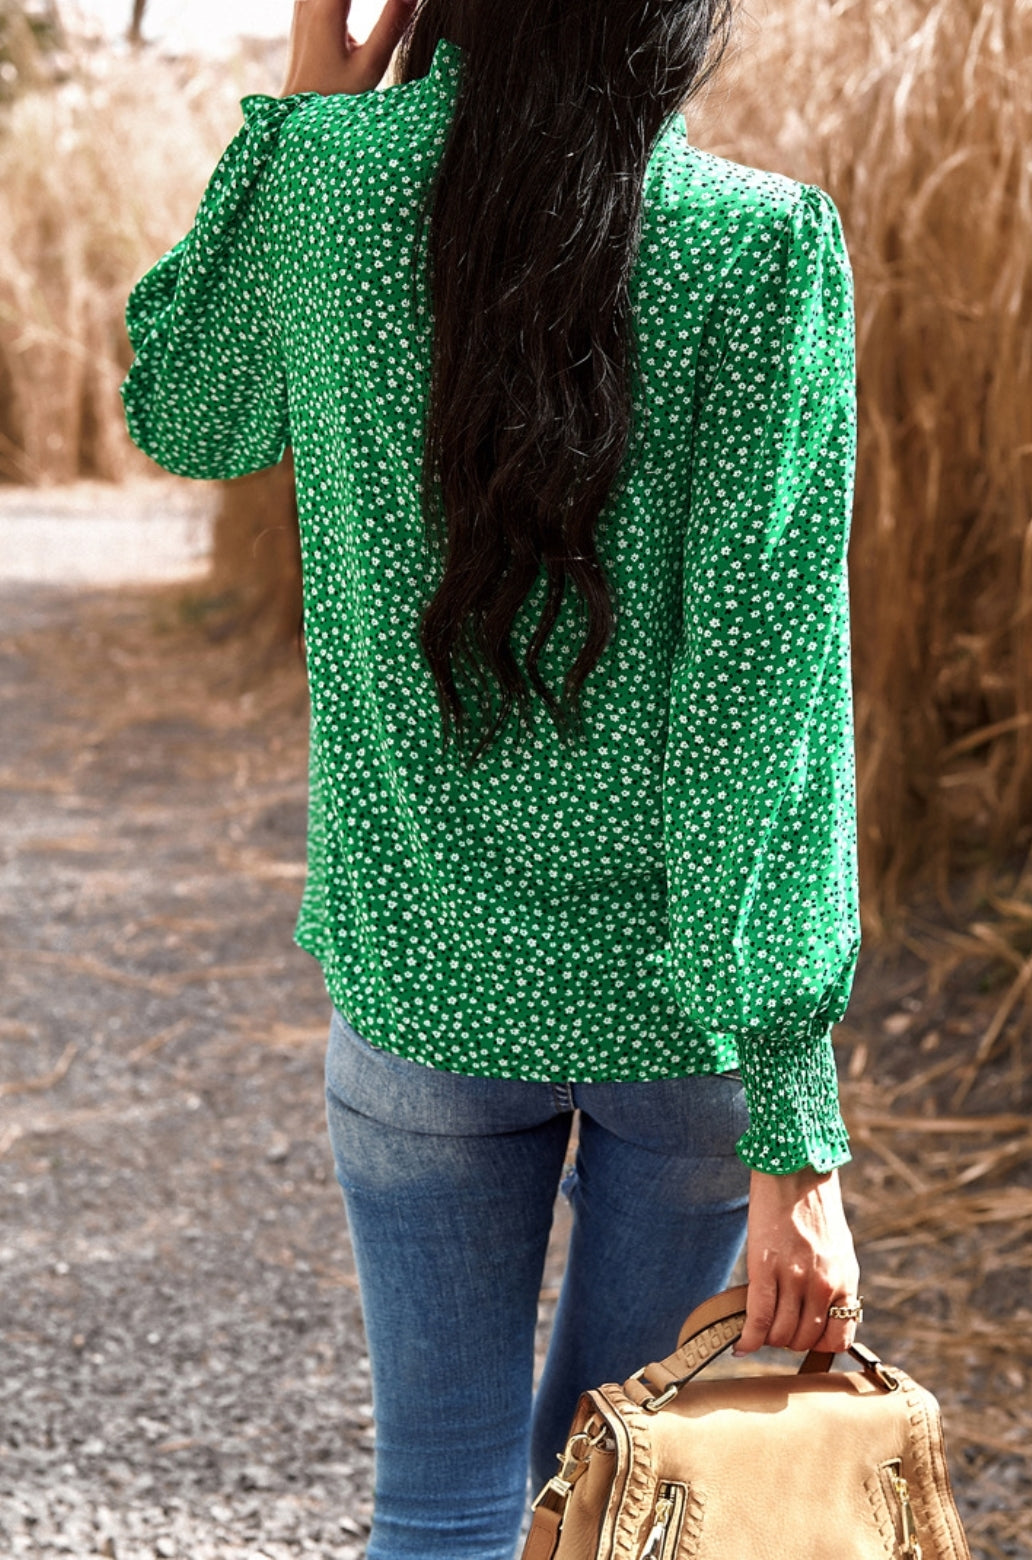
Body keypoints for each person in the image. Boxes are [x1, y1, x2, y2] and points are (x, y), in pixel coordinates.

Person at [119, 1, 864, 1556]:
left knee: (441, 1508)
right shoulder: (758, 250)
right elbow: (761, 721)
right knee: (609, 1511)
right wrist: (799, 1137)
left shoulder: (329, 192)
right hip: (681, 1031)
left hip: (422, 998)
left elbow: (184, 409)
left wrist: (302, 118)